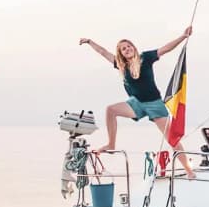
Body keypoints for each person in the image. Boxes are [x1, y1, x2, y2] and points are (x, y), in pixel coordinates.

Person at [79, 26, 195, 178]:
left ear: (133, 47)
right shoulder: (121, 65)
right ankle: (111, 144)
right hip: (137, 103)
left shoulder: (145, 58)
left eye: (128, 46)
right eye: (123, 49)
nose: (127, 49)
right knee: (110, 110)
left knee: (172, 139)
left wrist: (183, 36)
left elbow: (165, 49)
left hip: (154, 103)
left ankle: (188, 170)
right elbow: (103, 52)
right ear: (121, 54)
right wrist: (89, 41)